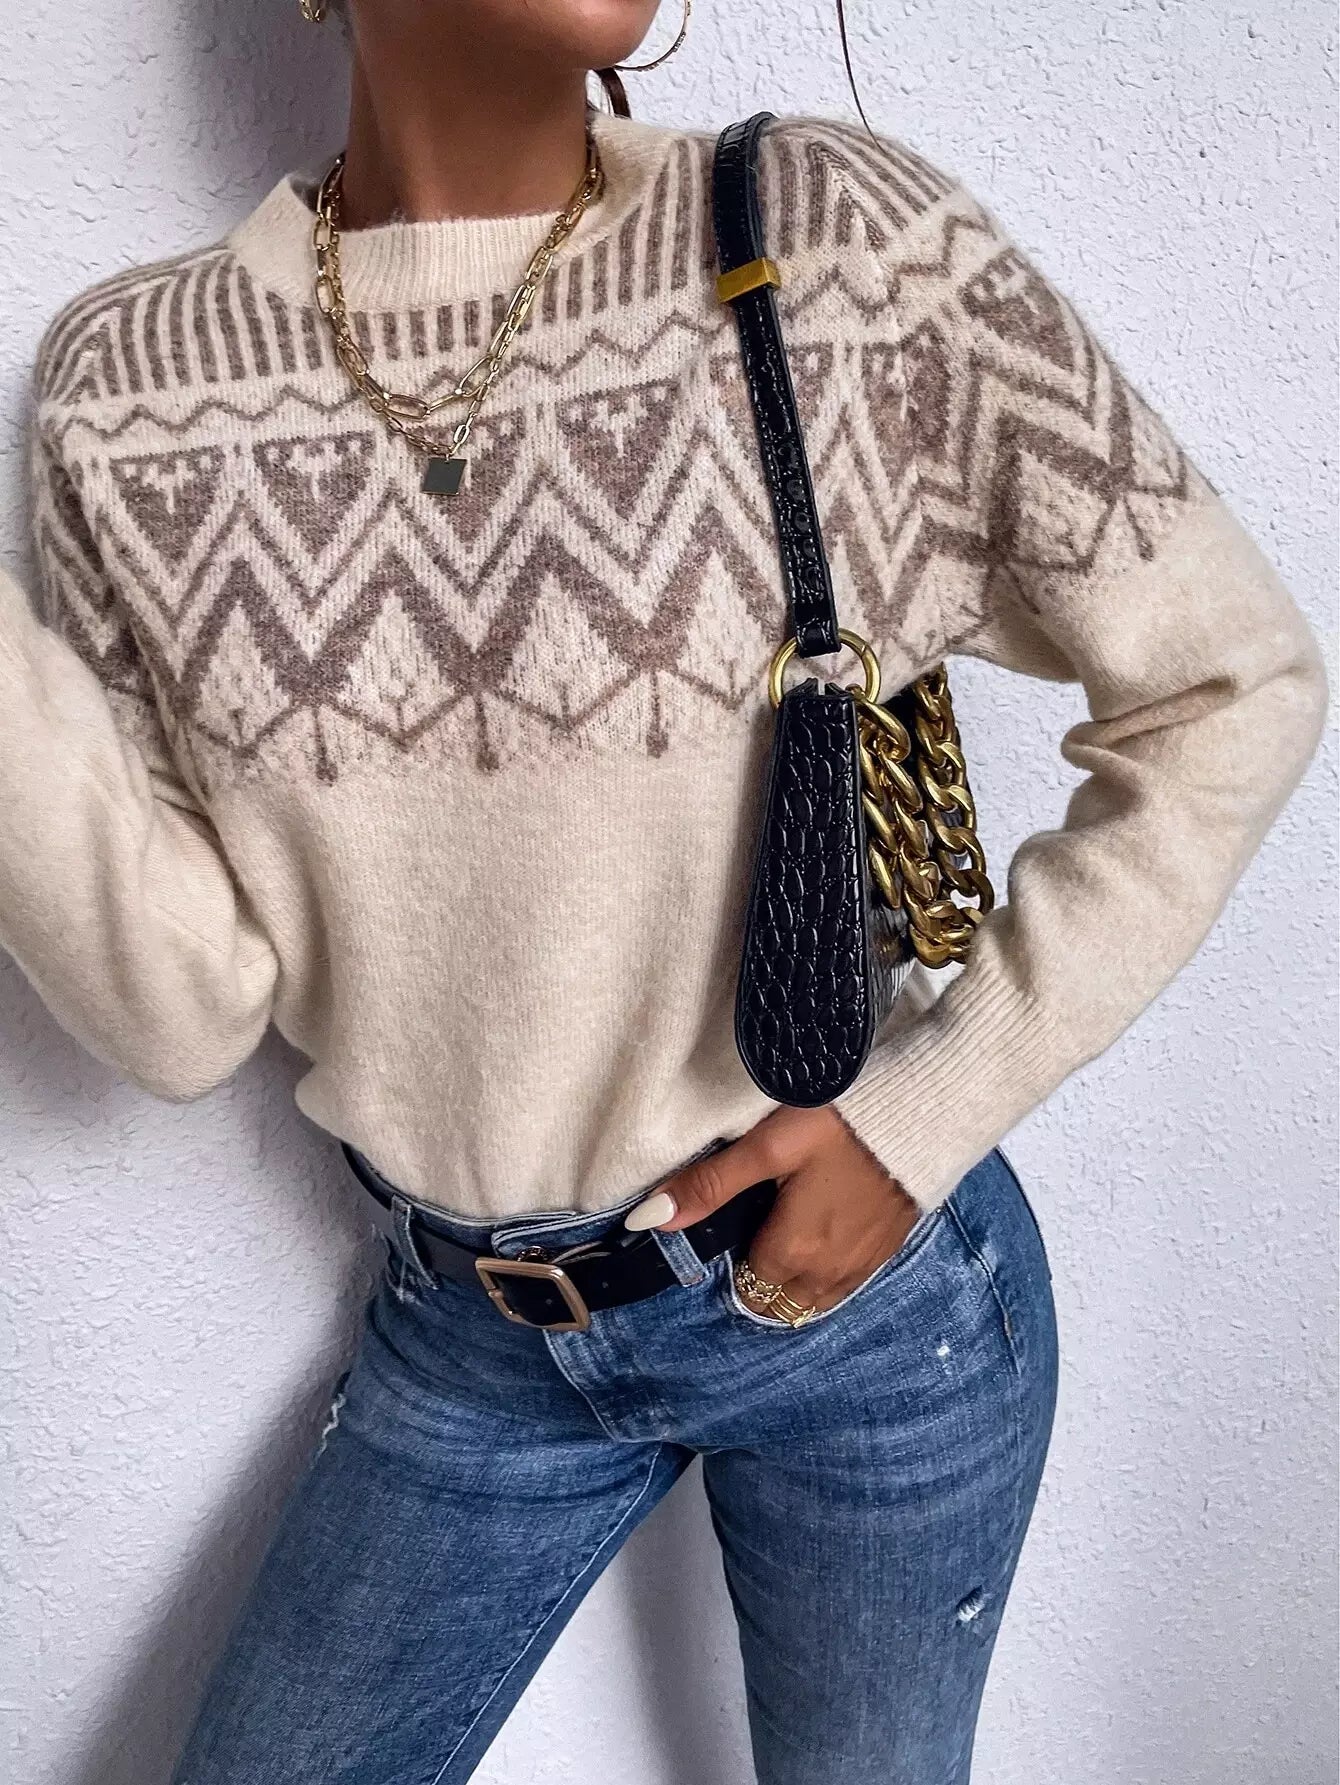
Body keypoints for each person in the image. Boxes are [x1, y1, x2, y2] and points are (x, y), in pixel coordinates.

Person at [0, 1, 1326, 1780]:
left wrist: (925, 1110)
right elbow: (180, 1012)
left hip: (874, 1310)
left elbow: (1232, 682)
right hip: (469, 1332)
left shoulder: (838, 246)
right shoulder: (131, 390)